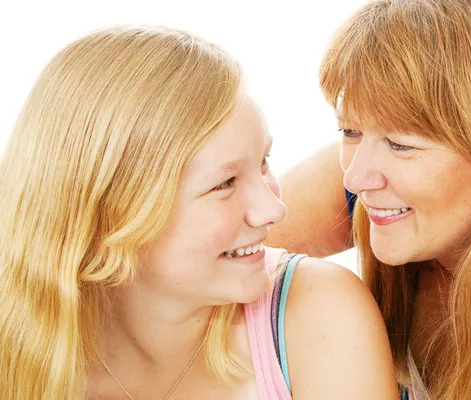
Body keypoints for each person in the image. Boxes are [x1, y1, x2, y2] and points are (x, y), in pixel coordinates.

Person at [0, 26, 399, 400]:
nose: (274, 209)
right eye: (224, 184)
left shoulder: (317, 315)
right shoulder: (17, 345)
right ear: (112, 213)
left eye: (264, 161)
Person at [269, 0, 471, 398]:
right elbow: (203, 254)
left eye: (400, 145)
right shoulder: (387, 180)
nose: (355, 178)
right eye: (350, 130)